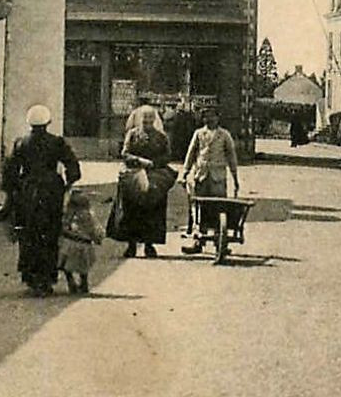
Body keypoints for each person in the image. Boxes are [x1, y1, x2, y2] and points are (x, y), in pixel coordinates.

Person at [1, 104, 81, 296]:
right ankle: (46, 278)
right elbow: (73, 166)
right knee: (50, 233)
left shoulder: (21, 143)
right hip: (51, 191)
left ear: (30, 123)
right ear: (48, 123)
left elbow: (10, 170)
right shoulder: (57, 142)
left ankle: (31, 277)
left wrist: (12, 191)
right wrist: (68, 183)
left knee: (29, 233)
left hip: (28, 192)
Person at [108, 105, 176, 257]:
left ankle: (149, 244)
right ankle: (131, 245)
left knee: (153, 210)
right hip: (134, 174)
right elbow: (125, 153)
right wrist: (139, 161)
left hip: (154, 176)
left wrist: (154, 163)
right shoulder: (132, 134)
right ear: (140, 120)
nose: (147, 122)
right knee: (131, 209)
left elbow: (167, 156)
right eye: (144, 119)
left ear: (154, 120)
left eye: (150, 119)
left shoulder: (161, 137)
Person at [179, 104, 240, 244]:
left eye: (212, 115)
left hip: (218, 177)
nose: (209, 119)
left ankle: (219, 238)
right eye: (206, 116)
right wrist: (185, 173)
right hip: (201, 176)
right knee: (200, 207)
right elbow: (191, 154)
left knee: (218, 207)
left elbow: (231, 157)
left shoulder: (224, 135)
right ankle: (199, 238)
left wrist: (235, 178)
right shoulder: (199, 134)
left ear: (218, 118)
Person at [57, 180, 104, 295]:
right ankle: (84, 282)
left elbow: (62, 227)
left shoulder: (68, 215)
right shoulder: (89, 216)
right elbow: (95, 230)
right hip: (84, 245)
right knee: (83, 269)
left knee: (66, 267)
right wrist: (98, 238)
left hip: (69, 244)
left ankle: (70, 280)